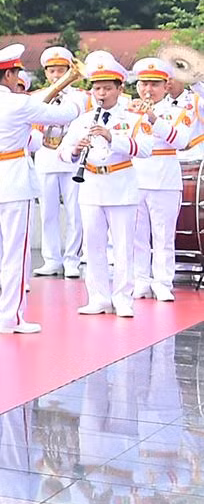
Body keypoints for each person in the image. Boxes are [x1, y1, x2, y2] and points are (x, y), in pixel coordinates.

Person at [0, 45, 75, 335]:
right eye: (17, 73)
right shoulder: (20, 104)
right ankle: (10, 318)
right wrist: (72, 98)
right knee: (15, 253)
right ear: (10, 74)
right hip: (12, 179)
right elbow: (65, 115)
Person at [65, 52, 139, 319]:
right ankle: (98, 297)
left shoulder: (131, 117)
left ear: (120, 88)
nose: (101, 93)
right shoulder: (83, 120)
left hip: (121, 185)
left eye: (107, 88)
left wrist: (112, 137)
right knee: (92, 246)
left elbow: (145, 148)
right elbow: (63, 152)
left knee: (122, 246)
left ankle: (123, 298)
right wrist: (75, 150)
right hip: (91, 185)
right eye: (97, 88)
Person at [130, 57, 183, 303]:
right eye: (143, 84)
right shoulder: (129, 110)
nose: (147, 89)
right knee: (136, 235)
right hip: (134, 177)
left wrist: (153, 117)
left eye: (154, 84)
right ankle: (140, 280)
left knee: (163, 235)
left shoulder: (176, 110)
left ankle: (162, 282)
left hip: (164, 179)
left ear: (165, 86)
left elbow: (180, 141)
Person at [32, 46, 87, 279]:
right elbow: (33, 127)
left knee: (75, 211)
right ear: (46, 73)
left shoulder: (80, 96)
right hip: (46, 154)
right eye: (52, 71)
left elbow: (79, 119)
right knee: (48, 212)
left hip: (71, 156)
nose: (56, 75)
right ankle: (51, 259)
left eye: (61, 70)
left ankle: (72, 259)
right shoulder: (37, 97)